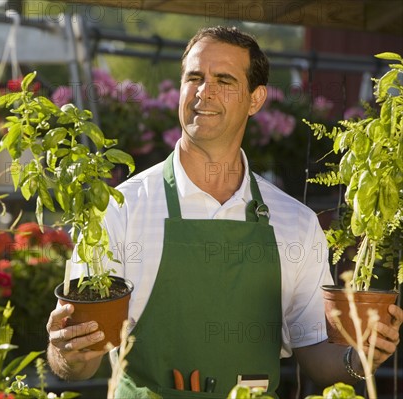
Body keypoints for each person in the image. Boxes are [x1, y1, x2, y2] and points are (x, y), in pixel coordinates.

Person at [46, 26, 403, 397]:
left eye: (224, 80)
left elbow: (314, 349)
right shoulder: (121, 210)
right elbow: (78, 363)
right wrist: (65, 350)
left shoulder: (294, 222)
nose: (205, 92)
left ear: (256, 99)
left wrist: (359, 358)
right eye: (194, 77)